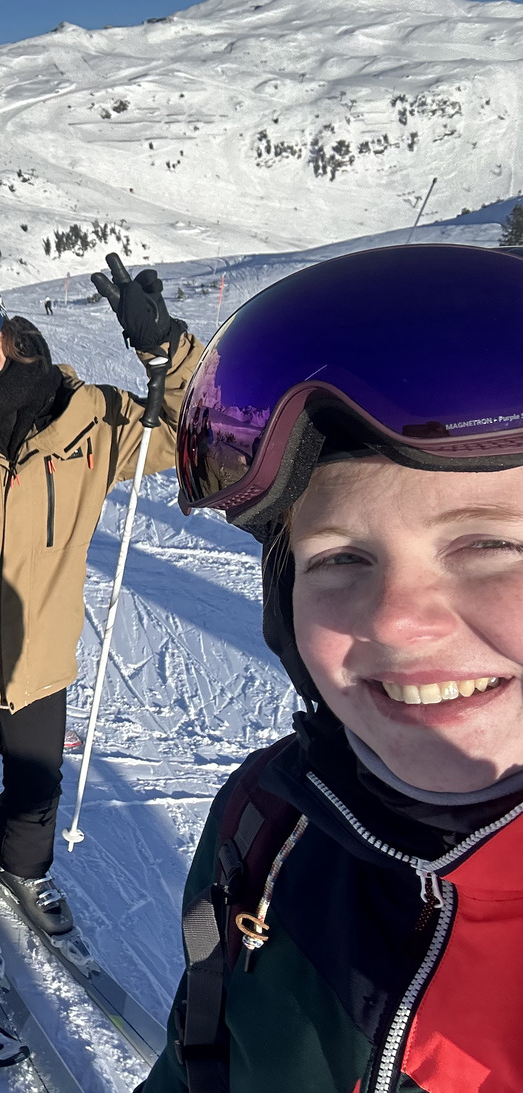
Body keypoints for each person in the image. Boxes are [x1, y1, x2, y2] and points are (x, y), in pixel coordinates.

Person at [143, 243, 523, 1092]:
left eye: (488, 545)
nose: (397, 620)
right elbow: (198, 1059)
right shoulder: (268, 817)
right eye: (341, 558)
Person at [0, 260, 204, 946]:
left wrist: (166, 347)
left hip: (40, 650)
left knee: (37, 780)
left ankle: (25, 869)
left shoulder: (86, 417)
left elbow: (193, 430)